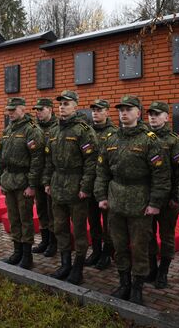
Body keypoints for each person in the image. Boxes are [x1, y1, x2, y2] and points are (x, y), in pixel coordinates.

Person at [94, 95, 170, 305]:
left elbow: (161, 175)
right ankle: (124, 283)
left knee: (139, 247)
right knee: (119, 245)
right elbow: (101, 171)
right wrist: (101, 196)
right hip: (116, 200)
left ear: (138, 113)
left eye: (128, 109)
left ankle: (137, 287)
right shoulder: (111, 139)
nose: (124, 113)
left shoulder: (149, 140)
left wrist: (155, 203)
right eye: (121, 110)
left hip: (140, 202)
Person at [42, 90, 98, 285]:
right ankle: (65, 264)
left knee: (80, 229)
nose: (62, 107)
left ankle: (78, 268)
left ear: (75, 106)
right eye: (60, 104)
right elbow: (48, 160)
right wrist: (47, 182)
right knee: (60, 226)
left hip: (76, 185)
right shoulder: (54, 131)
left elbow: (91, 163)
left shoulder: (84, 130)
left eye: (66, 103)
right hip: (58, 185)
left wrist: (85, 187)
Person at [0, 97, 45, 270]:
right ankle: (16, 252)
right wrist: (0, 179)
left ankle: (26, 255)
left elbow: (37, 160)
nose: (10, 113)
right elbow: (0, 157)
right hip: (9, 180)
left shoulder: (32, 130)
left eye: (13, 110)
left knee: (25, 219)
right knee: (13, 218)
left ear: (22, 109)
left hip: (24, 182)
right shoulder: (7, 130)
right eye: (8, 110)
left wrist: (32, 185)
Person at [146, 101, 179, 289]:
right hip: (147, 197)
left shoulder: (175, 141)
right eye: (150, 114)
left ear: (166, 117)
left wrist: (176, 197)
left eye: (157, 114)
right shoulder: (144, 138)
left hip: (168, 200)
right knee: (148, 234)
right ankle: (152, 268)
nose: (153, 117)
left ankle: (164, 271)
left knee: (167, 236)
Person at [86, 99, 117, 269]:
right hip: (91, 184)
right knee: (93, 220)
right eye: (94, 110)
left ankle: (107, 253)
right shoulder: (87, 131)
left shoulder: (114, 133)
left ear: (107, 112)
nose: (95, 113)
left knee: (108, 223)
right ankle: (96, 251)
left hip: (106, 185)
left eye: (99, 110)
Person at [32, 98, 59, 257]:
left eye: (41, 109)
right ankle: (44, 240)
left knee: (52, 211)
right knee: (41, 208)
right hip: (38, 174)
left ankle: (53, 243)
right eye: (36, 110)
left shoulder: (57, 127)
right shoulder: (34, 128)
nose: (38, 112)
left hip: (52, 176)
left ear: (50, 109)